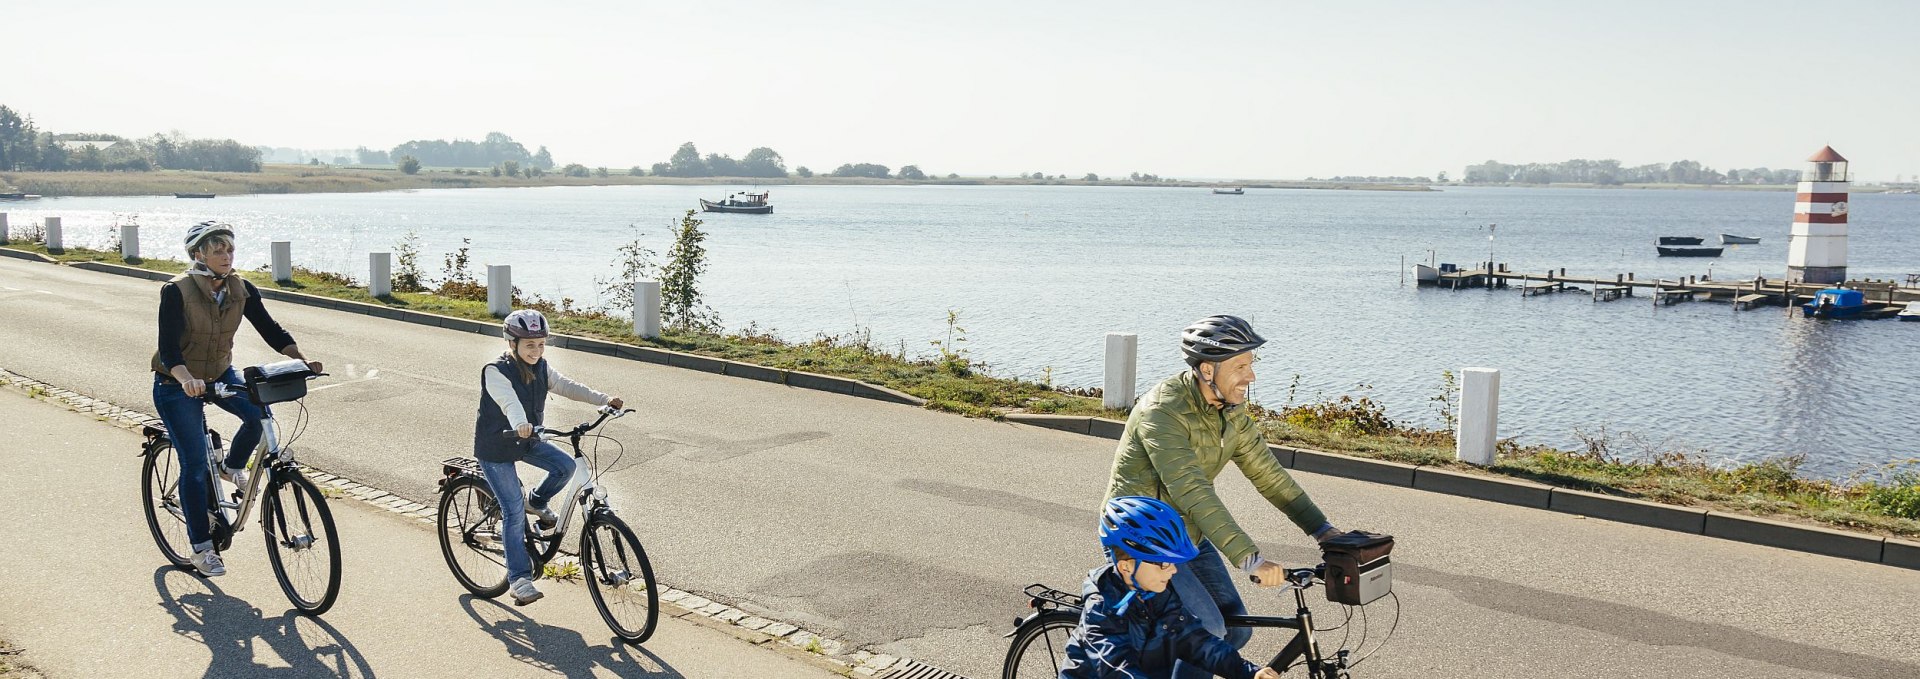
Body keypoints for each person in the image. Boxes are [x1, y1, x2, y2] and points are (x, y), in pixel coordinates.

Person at [1104, 315, 1339, 679]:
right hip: (1140, 538)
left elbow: (1268, 474)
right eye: (1241, 366)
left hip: (1187, 533)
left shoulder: (1228, 411)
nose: (1251, 376)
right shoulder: (1162, 412)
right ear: (1207, 370)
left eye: (1251, 364)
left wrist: (1323, 530)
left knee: (1236, 628)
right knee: (1208, 631)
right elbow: (1193, 491)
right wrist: (1249, 560)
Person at [152, 221, 323, 577]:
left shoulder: (240, 288)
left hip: (220, 372)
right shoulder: (177, 291)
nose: (226, 256)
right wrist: (185, 380)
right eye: (218, 250)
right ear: (198, 254)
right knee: (195, 465)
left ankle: (232, 467)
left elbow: (270, 328)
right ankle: (201, 548)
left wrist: (300, 359)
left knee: (260, 415)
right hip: (176, 382)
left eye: (229, 250)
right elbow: (168, 349)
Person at [474, 309, 624, 606]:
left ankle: (538, 501)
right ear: (512, 343)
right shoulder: (495, 370)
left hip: (528, 440)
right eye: (530, 345)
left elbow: (568, 386)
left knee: (566, 466)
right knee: (514, 512)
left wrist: (604, 399)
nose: (537, 350)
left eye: (541, 344)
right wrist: (520, 423)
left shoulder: (541, 367)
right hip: (497, 447)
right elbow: (509, 402)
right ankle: (519, 579)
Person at [1058, 496, 1282, 679]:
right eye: (1164, 564)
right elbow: (1114, 666)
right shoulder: (1102, 609)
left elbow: (1196, 641)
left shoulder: (1159, 597)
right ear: (1127, 567)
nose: (1173, 571)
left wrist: (1248, 672)